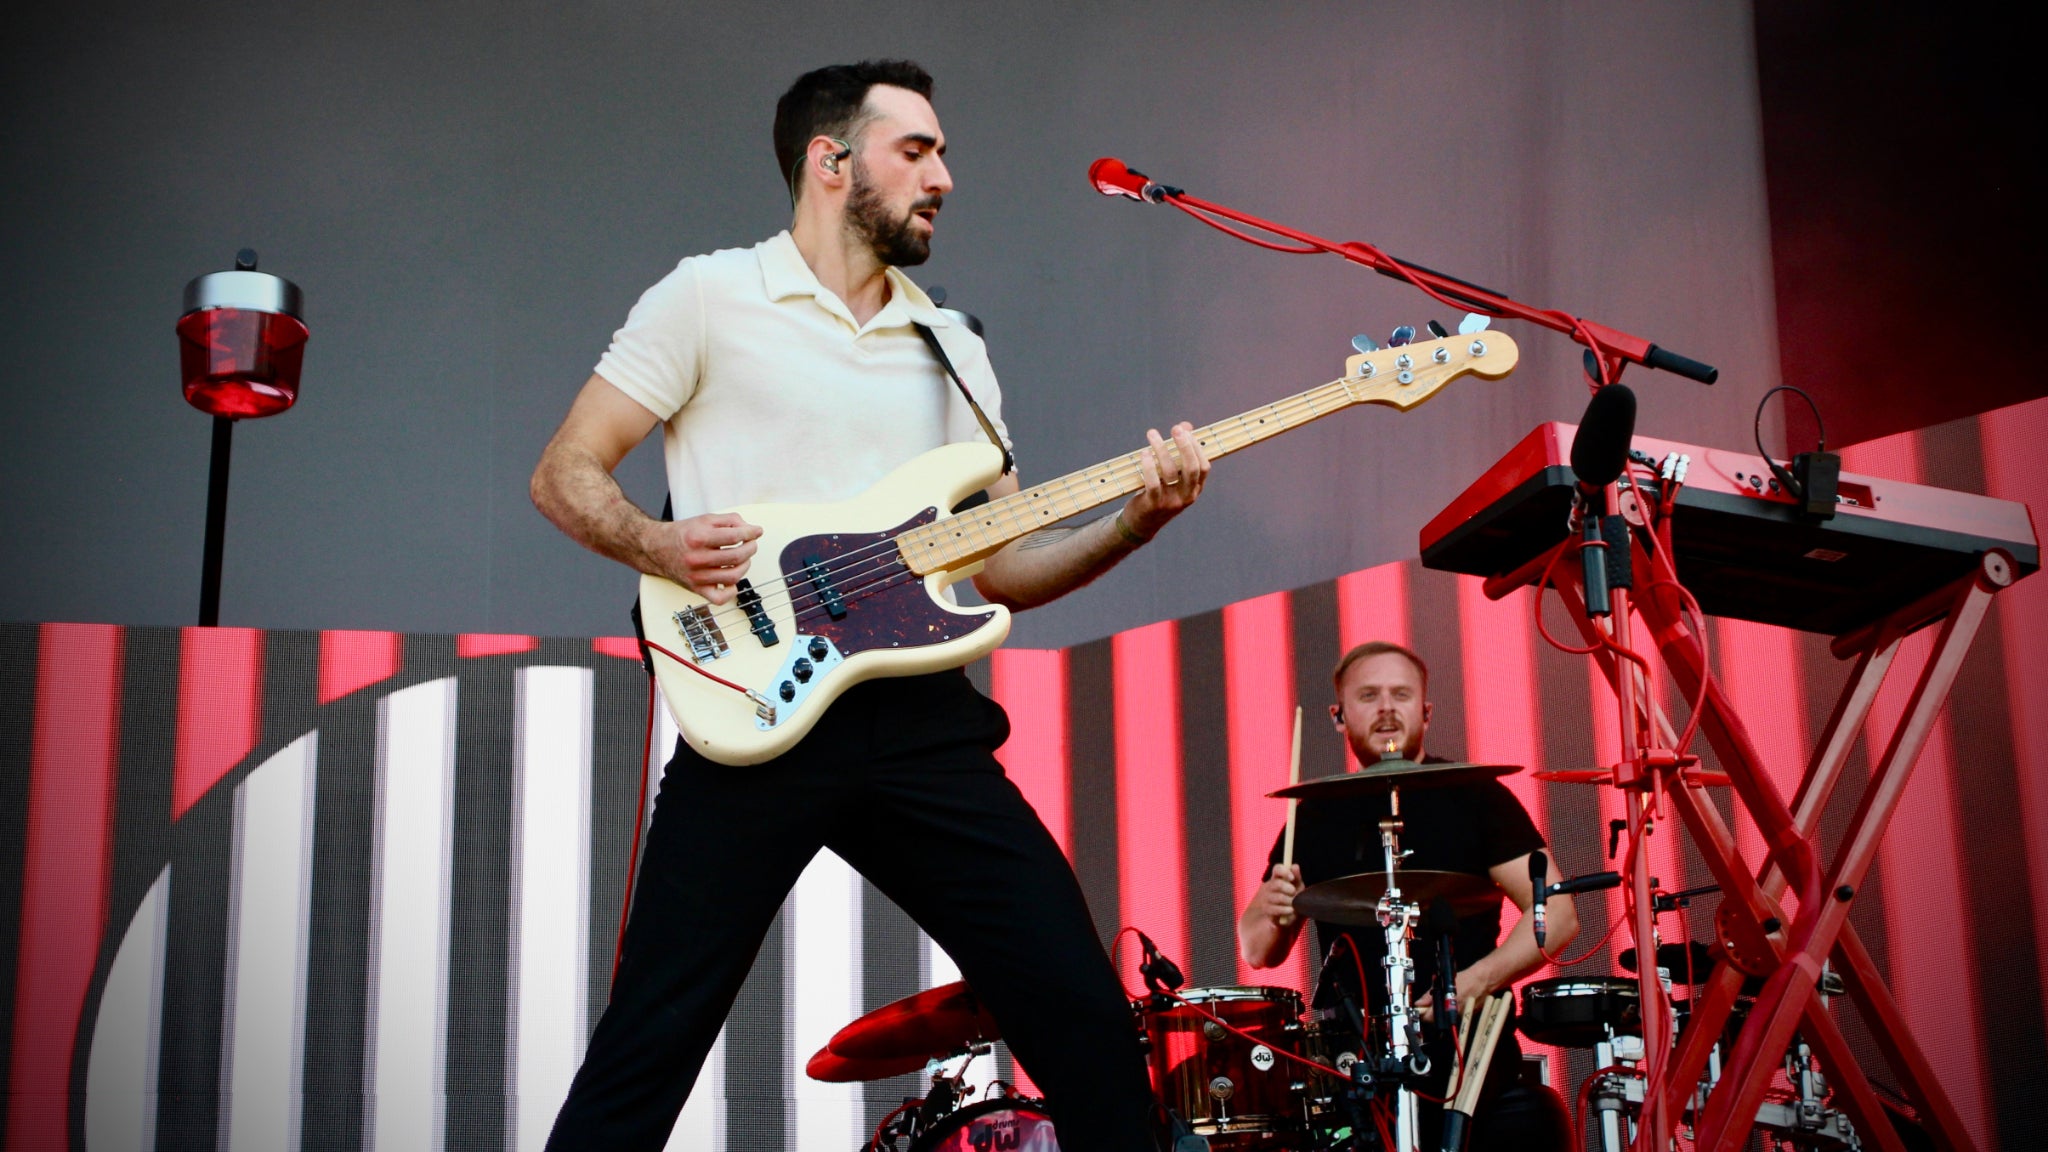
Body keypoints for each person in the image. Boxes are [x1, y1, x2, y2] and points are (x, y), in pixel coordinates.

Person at [528, 60, 1209, 1152]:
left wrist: (1137, 520)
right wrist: (654, 540)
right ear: (829, 162)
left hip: (920, 732)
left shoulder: (955, 351)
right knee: (644, 1052)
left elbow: (998, 569)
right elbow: (564, 473)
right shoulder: (708, 296)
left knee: (1083, 1022)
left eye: (941, 153)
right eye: (916, 151)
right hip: (747, 728)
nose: (944, 175)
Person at [1236, 641, 1576, 1151]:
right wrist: (1267, 906)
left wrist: (1473, 984)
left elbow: (1559, 915)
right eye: (1369, 695)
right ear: (1339, 716)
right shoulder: (1311, 815)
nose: (1387, 708)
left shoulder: (1476, 796)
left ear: (1426, 710)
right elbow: (1259, 950)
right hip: (1354, 1067)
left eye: (1401, 694)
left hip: (1469, 1056)